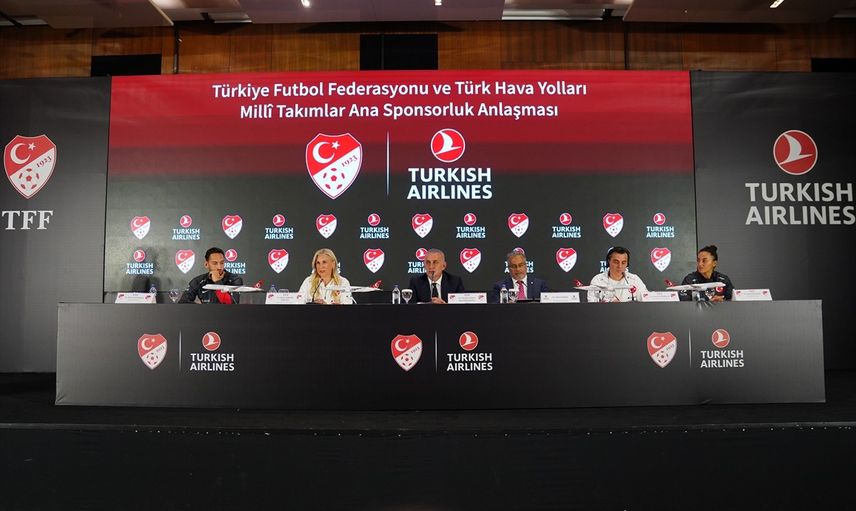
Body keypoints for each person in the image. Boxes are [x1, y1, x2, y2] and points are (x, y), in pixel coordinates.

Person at [178, 247, 243, 304]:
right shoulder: (198, 281)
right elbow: (183, 302)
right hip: (205, 314)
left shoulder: (235, 279)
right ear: (206, 264)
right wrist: (203, 308)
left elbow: (232, 305)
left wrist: (217, 281)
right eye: (215, 263)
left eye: (222, 263)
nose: (219, 267)